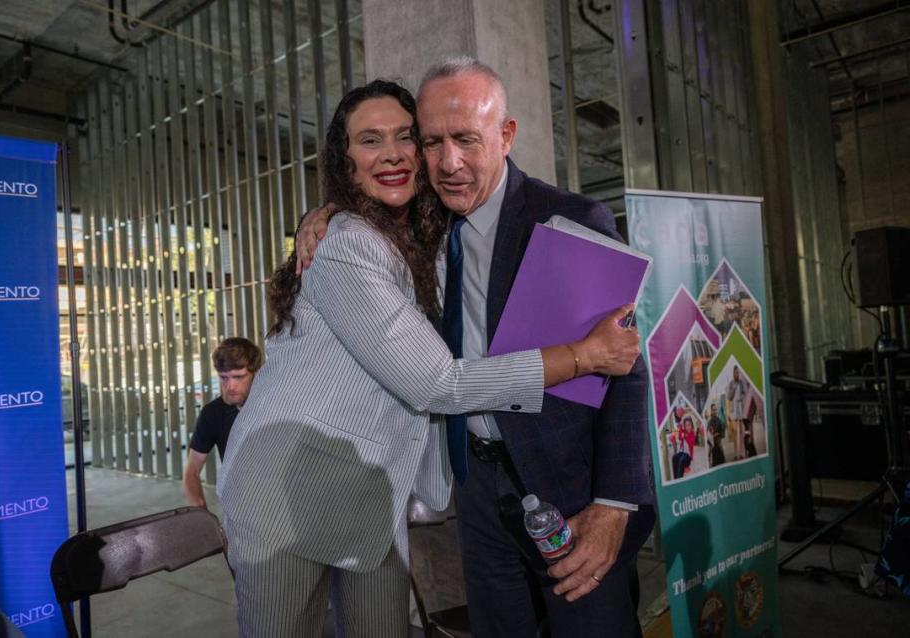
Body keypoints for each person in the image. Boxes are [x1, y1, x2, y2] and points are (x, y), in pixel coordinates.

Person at [217, 79, 641, 637]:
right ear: (344, 160)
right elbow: (437, 383)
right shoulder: (370, 237)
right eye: (432, 141)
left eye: (409, 138)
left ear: (505, 135)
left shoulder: (550, 218)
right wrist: (578, 357)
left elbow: (628, 363)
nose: (446, 159)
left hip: (536, 486)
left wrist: (617, 502)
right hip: (296, 490)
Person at [182, 337, 261, 509]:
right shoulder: (212, 413)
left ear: (256, 373)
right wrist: (201, 512)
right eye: (224, 378)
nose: (230, 386)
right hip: (239, 504)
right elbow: (191, 472)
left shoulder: (274, 406)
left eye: (239, 377)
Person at [726, 367, 749, 460]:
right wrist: (733, 390)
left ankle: (742, 453)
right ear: (733, 373)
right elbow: (729, 397)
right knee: (736, 432)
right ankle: (736, 454)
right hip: (734, 409)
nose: (737, 374)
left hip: (741, 407)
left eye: (738, 373)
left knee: (742, 432)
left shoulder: (741, 382)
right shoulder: (731, 383)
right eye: (736, 373)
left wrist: (741, 398)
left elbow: (745, 393)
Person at [707, 402, 727, 467]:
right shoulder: (710, 421)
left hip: (718, 440)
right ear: (711, 411)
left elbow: (722, 430)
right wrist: (712, 435)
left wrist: (718, 433)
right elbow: (709, 432)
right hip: (712, 442)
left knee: (721, 458)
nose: (715, 411)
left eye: (716, 409)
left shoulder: (719, 420)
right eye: (714, 410)